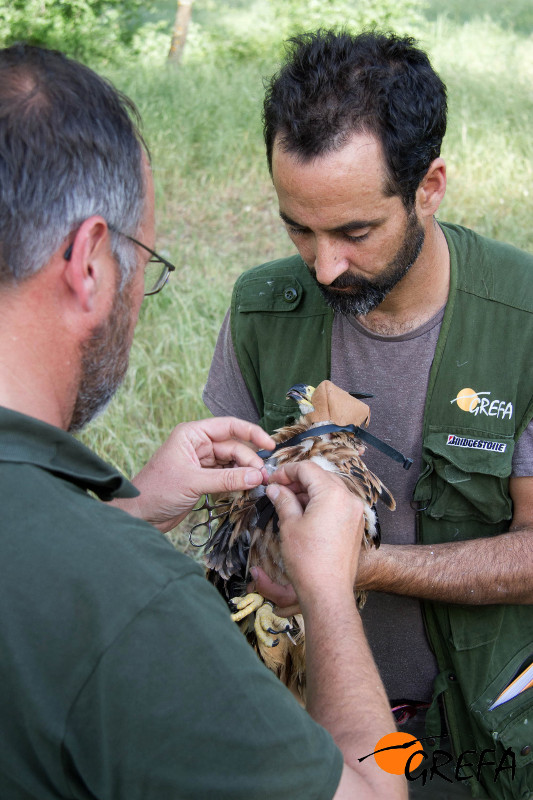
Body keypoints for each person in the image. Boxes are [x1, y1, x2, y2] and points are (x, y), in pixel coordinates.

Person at [0, 42, 407, 800]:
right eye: (139, 259)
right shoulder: (132, 607)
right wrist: (326, 589)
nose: (322, 268)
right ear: (89, 263)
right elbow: (376, 791)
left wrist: (127, 511)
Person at [203, 29, 533, 800]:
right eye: (298, 226)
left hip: (474, 737)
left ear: (429, 185)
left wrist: (359, 567)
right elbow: (228, 509)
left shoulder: (520, 323)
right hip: (298, 728)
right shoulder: (262, 309)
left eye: (354, 232)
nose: (323, 267)